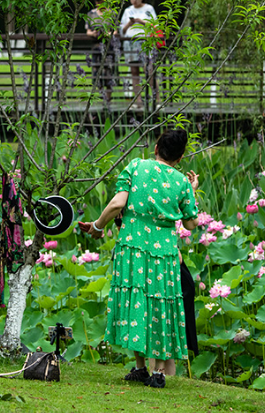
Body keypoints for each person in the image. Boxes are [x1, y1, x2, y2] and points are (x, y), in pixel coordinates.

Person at [80, 129, 199, 388]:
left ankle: (140, 368)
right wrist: (191, 190)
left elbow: (116, 204)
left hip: (132, 247)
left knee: (136, 298)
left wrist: (98, 227)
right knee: (159, 303)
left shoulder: (136, 166)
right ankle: (158, 373)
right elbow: (190, 223)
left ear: (156, 148)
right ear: (179, 159)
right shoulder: (181, 182)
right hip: (163, 253)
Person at [120, 0, 157, 108]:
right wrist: (129, 24)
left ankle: (156, 99)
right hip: (130, 43)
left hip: (144, 42)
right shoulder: (127, 11)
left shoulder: (149, 9)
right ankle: (138, 101)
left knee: (149, 71)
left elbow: (155, 26)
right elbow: (122, 31)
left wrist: (141, 22)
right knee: (134, 72)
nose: (134, 1)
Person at [86, 0, 118, 102]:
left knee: (108, 72)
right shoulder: (91, 14)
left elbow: (116, 30)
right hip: (96, 46)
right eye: (98, 2)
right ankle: (101, 97)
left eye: (102, 2)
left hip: (109, 47)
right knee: (96, 72)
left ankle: (108, 99)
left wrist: (108, 34)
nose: (100, 4)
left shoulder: (112, 14)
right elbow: (88, 31)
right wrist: (93, 33)